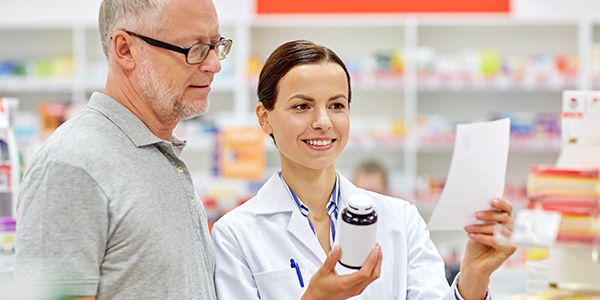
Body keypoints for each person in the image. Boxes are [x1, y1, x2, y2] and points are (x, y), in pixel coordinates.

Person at [211, 40, 516, 299]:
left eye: (336, 105)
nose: (323, 121)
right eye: (302, 106)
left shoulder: (401, 220)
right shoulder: (235, 235)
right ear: (265, 118)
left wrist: (474, 277)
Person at [14, 0, 231, 299]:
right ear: (126, 50)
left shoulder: (161, 154)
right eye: (193, 48)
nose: (214, 64)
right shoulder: (72, 166)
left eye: (215, 45)